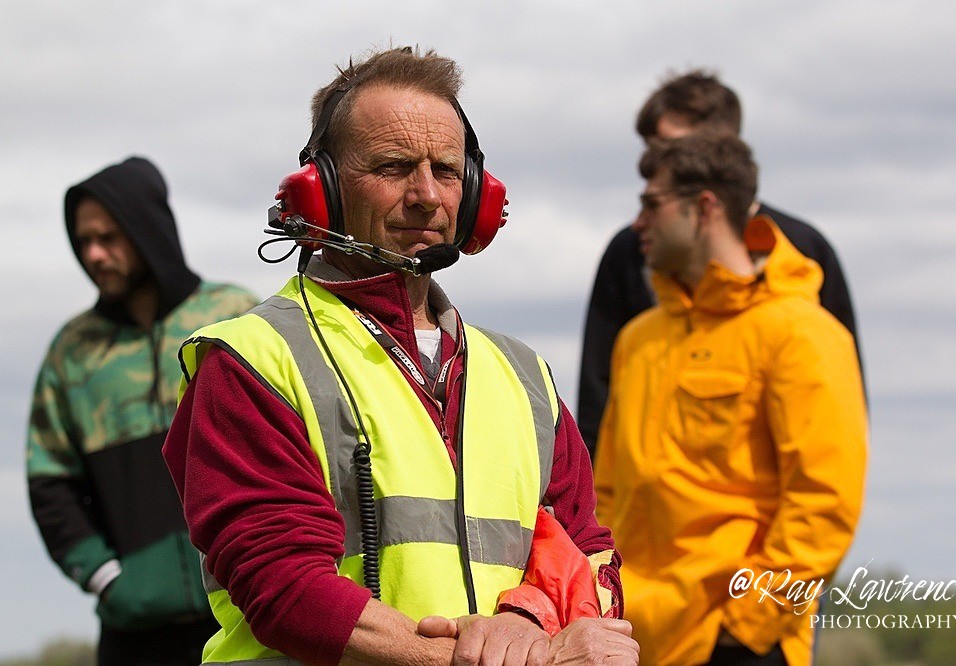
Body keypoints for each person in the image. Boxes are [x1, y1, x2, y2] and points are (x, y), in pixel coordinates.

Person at [162, 47, 638, 665]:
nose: (426, 195)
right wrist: (509, 661)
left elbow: (587, 554)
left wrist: (528, 617)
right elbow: (280, 587)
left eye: (446, 169)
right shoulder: (249, 359)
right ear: (320, 189)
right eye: (392, 167)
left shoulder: (524, 375)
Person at [593, 135, 867, 665]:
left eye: (652, 204)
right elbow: (606, 492)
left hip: (737, 643)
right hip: (630, 640)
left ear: (705, 207)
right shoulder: (638, 339)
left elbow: (825, 505)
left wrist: (747, 628)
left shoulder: (803, 333)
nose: (637, 224)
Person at [26, 156, 258, 665]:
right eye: (83, 240)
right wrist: (108, 579)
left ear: (147, 231)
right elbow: (49, 482)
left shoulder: (235, 319)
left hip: (246, 619)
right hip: (134, 636)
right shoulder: (72, 352)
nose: (94, 254)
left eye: (109, 237)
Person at [577, 70, 861, 456]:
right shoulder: (630, 249)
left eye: (672, 146)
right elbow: (599, 390)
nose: (656, 161)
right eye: (650, 148)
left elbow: (840, 392)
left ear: (726, 149)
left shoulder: (804, 248)